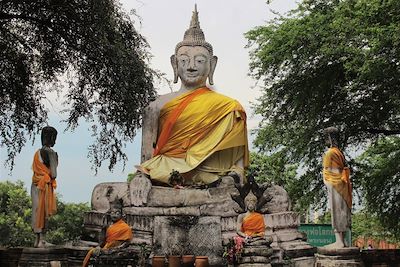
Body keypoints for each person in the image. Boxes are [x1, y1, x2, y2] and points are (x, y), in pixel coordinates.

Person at [139, 5, 249, 186]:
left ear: (212, 65)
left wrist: (234, 178)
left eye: (199, 61)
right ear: (174, 64)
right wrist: (141, 179)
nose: (191, 66)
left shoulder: (229, 109)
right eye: (183, 60)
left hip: (211, 181)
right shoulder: (156, 106)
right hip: (163, 176)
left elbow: (238, 170)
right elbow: (145, 162)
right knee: (102, 193)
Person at [322, 127, 352, 248]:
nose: (325, 140)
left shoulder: (331, 153)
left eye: (326, 137)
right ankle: (342, 240)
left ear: (330, 137)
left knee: (338, 211)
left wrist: (326, 180)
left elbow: (331, 171)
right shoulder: (339, 152)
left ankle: (339, 241)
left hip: (335, 184)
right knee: (342, 211)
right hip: (342, 185)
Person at [31, 126, 58, 248]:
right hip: (45, 185)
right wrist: (55, 160)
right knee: (44, 211)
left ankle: (36, 239)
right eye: (54, 138)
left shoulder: (37, 152)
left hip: (35, 184)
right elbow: (53, 174)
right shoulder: (50, 152)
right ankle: (42, 240)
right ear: (51, 138)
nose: (55, 141)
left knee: (36, 210)